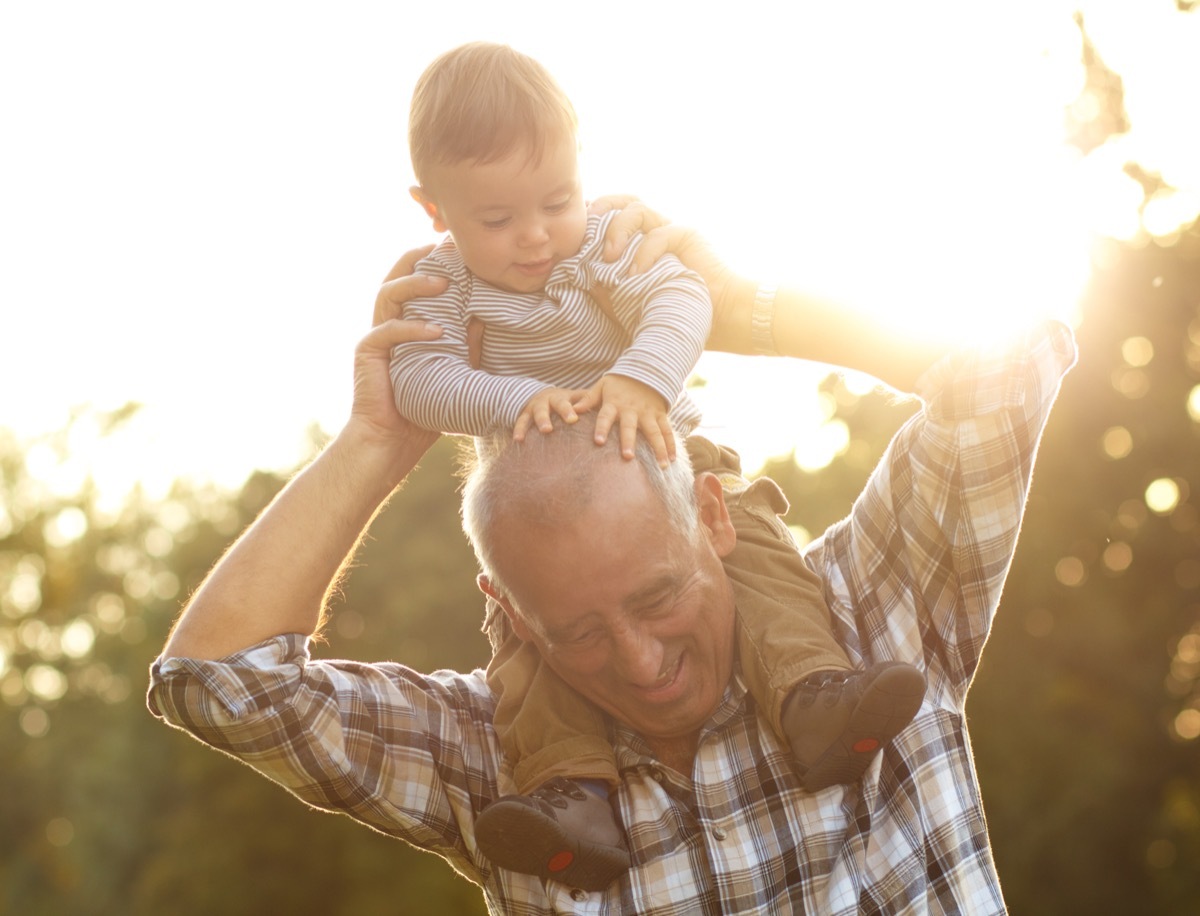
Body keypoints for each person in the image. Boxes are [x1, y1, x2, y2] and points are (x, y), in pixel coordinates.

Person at [148, 199, 1076, 912]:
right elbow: (216, 681)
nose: (640, 662)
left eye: (660, 595)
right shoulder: (499, 763)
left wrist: (742, 312)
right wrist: (377, 442)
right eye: (579, 632)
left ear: (714, 514)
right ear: (509, 615)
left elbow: (1014, 363)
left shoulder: (873, 611)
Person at [388, 42, 924, 887]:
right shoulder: (440, 284)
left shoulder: (603, 240)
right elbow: (417, 377)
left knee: (760, 563)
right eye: (495, 220)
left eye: (554, 200)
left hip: (671, 458)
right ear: (434, 210)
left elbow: (683, 297)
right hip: (547, 520)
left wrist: (638, 378)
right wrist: (506, 402)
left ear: (580, 173)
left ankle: (813, 693)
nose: (534, 236)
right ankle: (572, 799)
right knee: (533, 652)